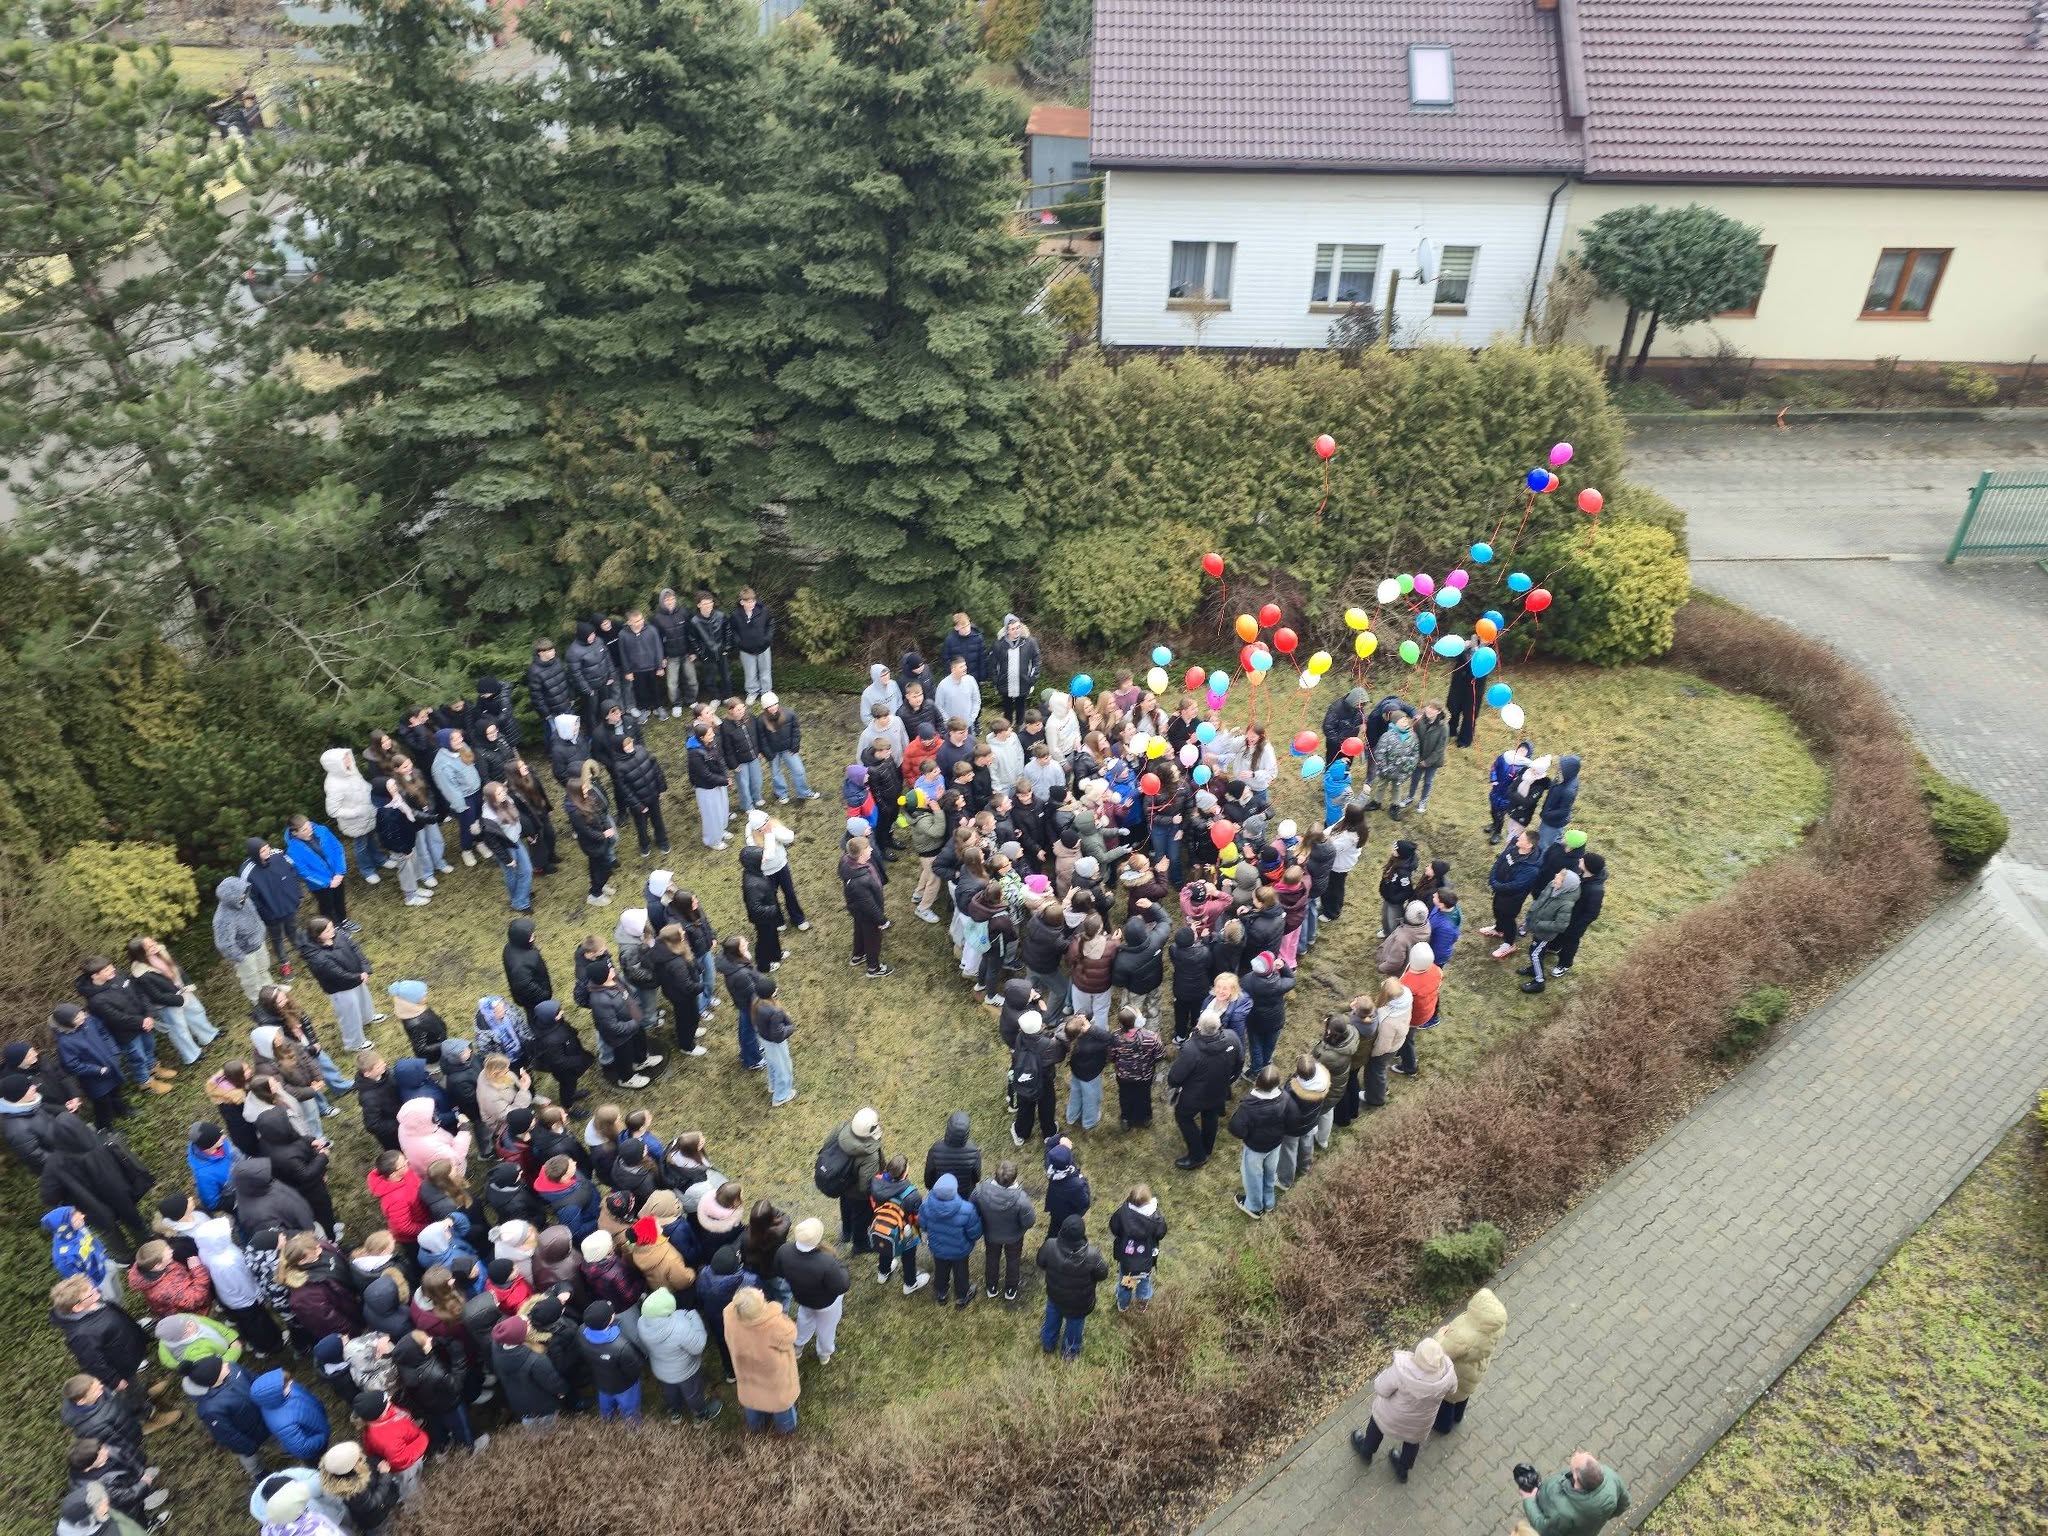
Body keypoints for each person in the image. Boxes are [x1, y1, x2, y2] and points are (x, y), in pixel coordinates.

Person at [1349, 1334, 1459, 1482]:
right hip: (1420, 1422)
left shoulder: (1402, 1370)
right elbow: (1453, 1390)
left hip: (1392, 1415)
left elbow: (1381, 1389)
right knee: (1412, 1443)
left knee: (1377, 1425)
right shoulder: (1447, 1375)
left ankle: (1366, 1451)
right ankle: (1403, 1470)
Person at [1167, 1011, 1242, 1171]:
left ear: (1198, 1026)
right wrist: (1228, 1081)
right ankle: (1207, 1148)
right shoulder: (1232, 1037)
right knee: (1210, 1116)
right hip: (1219, 1091)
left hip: (1193, 1097)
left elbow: (1175, 1077)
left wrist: (1175, 1086)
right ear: (1219, 1025)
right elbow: (1239, 1063)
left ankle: (1197, 1156)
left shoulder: (1191, 1048)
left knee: (1183, 1118)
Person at [298, 917, 379, 1056]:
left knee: (364, 999)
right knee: (349, 1014)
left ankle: (367, 1017)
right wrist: (358, 977)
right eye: (327, 930)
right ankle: (354, 1043)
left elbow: (355, 948)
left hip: (357, 977)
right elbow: (335, 973)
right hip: (340, 988)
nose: (333, 931)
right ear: (317, 935)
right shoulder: (316, 956)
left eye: (332, 927)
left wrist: (365, 968)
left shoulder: (338, 935)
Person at [724, 1285, 799, 1434]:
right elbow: (791, 1334)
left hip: (746, 1372)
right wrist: (774, 1310)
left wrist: (755, 1302)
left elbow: (740, 1305)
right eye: (759, 1295)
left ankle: (756, 1427)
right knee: (781, 1404)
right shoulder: (774, 1324)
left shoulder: (729, 1313)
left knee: (752, 1399)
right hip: (773, 1378)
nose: (761, 1291)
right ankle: (786, 1429)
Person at [774, 1217, 850, 1364]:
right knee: (826, 1328)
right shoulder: (827, 1262)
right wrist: (842, 1269)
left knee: (804, 1319)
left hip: (802, 1298)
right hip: (827, 1304)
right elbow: (842, 1286)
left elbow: (779, 1271)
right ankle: (824, 1353)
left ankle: (798, 1346)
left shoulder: (784, 1250)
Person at [1434, 1286, 1507, 1432]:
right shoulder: (1494, 1329)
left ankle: (1443, 1426)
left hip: (1457, 1376)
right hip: (1473, 1374)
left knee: (1448, 1401)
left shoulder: (1464, 1336)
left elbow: (1441, 1351)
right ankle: (1458, 1417)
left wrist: (1440, 1334)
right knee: (1463, 1397)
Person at [1034, 1214, 1107, 1361]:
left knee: (1052, 1319)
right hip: (1080, 1302)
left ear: (1062, 1230)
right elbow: (1102, 1274)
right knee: (1075, 1326)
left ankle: (1048, 1344)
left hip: (1055, 1295)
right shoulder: (1093, 1255)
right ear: (1082, 1233)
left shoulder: (1049, 1245)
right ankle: (1070, 1352)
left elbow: (1041, 1262)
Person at [51, 1007, 128, 1128]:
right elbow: (72, 1065)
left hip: (110, 1065)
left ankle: (122, 1110)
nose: (83, 1017)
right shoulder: (64, 1042)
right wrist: (97, 1070)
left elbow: (104, 1033)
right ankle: (105, 1128)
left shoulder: (89, 1020)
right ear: (68, 1023)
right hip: (94, 1078)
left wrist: (114, 1052)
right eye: (77, 1018)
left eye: (81, 1013)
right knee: (102, 1103)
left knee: (116, 1091)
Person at [237, 839, 306, 975]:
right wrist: (264, 913)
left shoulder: (278, 854)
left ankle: (304, 951)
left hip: (288, 906)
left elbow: (293, 872)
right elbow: (248, 897)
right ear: (254, 854)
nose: (267, 851)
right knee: (277, 938)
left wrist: (297, 894)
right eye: (262, 851)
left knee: (293, 930)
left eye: (267, 847)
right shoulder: (246, 871)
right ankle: (284, 963)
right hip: (271, 914)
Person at [1228, 1064, 1287, 1220]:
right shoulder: (1284, 1097)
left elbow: (1236, 1129)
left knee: (1252, 1177)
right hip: (1275, 1144)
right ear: (1277, 1083)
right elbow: (1292, 1118)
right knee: (1269, 1173)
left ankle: (1254, 1207)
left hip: (1255, 1148)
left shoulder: (1249, 1106)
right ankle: (1269, 1202)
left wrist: (1247, 1133)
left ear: (1258, 1082)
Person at [1519, 1452, 1630, 1534]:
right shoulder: (1611, 1476)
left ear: (1576, 1477)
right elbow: (1624, 1504)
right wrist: (1598, 1518)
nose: (1577, 1453)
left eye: (1578, 1456)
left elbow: (1543, 1529)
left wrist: (1529, 1500)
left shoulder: (1562, 1513)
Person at [867, 1154, 928, 1295]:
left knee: (884, 1245)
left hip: (881, 1225)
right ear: (904, 1173)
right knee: (908, 1256)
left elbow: (873, 1203)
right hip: (904, 1230)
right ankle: (910, 1283)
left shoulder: (876, 1181)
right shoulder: (912, 1195)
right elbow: (916, 1219)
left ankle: (883, 1273)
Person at [919, 1172, 983, 1309]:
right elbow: (975, 1233)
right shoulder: (967, 1209)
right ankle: (962, 1296)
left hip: (938, 1248)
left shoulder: (925, 1206)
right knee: (961, 1272)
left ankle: (941, 1294)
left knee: (940, 1269)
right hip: (960, 1250)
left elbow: (923, 1226)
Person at [1485, 829, 1545, 961]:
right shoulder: (1513, 847)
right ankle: (1498, 929)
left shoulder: (1532, 868)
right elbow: (1499, 861)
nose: (1518, 839)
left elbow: (1516, 885)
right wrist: (1493, 879)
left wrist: (1496, 885)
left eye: (1521, 839)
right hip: (1499, 890)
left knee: (1507, 918)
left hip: (1512, 898)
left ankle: (1509, 944)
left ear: (1529, 845)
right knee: (1497, 910)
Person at [1105, 1183, 1164, 1313]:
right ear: (1149, 1200)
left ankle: (1123, 1304)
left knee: (1127, 1283)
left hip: (1128, 1263)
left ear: (1130, 1198)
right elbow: (1161, 1233)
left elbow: (1114, 1227)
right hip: (1146, 1262)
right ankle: (1142, 1303)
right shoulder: (1156, 1217)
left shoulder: (1123, 1213)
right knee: (1144, 1282)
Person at [250, 1367, 330, 1464]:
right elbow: (303, 1449)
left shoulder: (284, 1392)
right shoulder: (283, 1424)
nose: (291, 1383)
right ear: (273, 1395)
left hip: (317, 1428)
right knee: (323, 1462)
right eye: (286, 1384)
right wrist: (322, 1437)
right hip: (316, 1450)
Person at [839, 835, 890, 978]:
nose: (871, 849)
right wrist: (882, 920)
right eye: (868, 848)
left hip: (857, 909)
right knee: (873, 938)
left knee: (860, 930)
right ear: (861, 855)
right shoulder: (861, 881)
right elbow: (869, 904)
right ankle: (873, 968)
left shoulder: (845, 860)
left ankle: (858, 955)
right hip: (868, 913)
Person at [1275, 1055, 1328, 1189]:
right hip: (1311, 1120)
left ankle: (1285, 1181)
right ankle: (1305, 1167)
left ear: (1299, 1073)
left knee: (1289, 1150)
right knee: (1307, 1143)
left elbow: (1284, 1108)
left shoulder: (1293, 1090)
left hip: (1294, 1127)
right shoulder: (1323, 1079)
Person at [1360, 977, 1412, 1110]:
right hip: (1398, 1040)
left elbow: (1383, 1046)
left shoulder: (1388, 1022)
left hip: (1386, 1049)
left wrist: (1372, 1055)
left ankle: (1375, 1098)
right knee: (1380, 1070)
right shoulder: (1406, 997)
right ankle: (1382, 1089)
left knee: (1375, 1071)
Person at [1395, 702, 1449, 816]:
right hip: (1418, 758)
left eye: (1433, 709)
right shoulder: (1419, 721)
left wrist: (1427, 762)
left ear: (1439, 711)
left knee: (1428, 781)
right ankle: (1410, 797)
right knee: (1415, 779)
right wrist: (1417, 757)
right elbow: (1414, 739)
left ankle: (1423, 801)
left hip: (1433, 761)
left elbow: (1440, 749)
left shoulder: (1443, 727)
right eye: (1429, 707)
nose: (1429, 710)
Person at [990, 614, 1040, 724]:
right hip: (1004, 682)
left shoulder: (1030, 642)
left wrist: (1032, 679)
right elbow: (993, 665)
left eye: (1018, 627)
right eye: (1013, 629)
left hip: (1023, 682)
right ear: (1007, 630)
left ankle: (1020, 726)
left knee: (1021, 707)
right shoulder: (998, 644)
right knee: (1007, 708)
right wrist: (996, 681)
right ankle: (1006, 727)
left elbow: (1036, 661)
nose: (1016, 631)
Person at [1537, 753, 1581, 853]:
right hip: (1549, 818)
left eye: (1560, 766)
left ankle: (1541, 861)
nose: (1558, 767)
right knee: (1548, 841)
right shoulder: (1563, 777)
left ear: (1568, 770)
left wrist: (1546, 814)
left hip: (1552, 824)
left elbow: (1564, 811)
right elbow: (1555, 787)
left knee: (1543, 846)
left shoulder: (1568, 791)